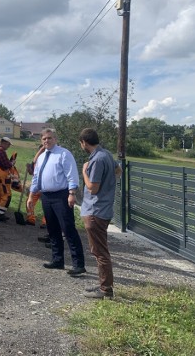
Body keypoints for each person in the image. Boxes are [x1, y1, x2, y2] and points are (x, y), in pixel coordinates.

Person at [27, 128, 86, 275]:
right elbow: (36, 178)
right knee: (52, 229)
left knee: (68, 229)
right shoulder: (41, 158)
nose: (47, 141)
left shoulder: (64, 154)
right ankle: (57, 260)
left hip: (61, 196)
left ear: (55, 139)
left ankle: (79, 264)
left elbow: (72, 174)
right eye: (44, 139)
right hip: (46, 196)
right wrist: (30, 196)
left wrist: (72, 193)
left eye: (50, 138)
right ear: (41, 141)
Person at [79, 128, 122, 299]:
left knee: (100, 252)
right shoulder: (107, 154)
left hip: (95, 211)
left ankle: (106, 290)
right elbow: (118, 172)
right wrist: (109, 184)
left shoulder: (96, 160)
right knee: (99, 251)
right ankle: (103, 285)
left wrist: (84, 171)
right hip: (103, 209)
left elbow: (93, 188)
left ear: (84, 142)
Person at [0, 136, 17, 221]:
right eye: (8, 144)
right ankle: (0, 214)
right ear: (4, 143)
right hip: (1, 177)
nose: (9, 146)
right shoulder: (1, 151)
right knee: (6, 195)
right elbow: (6, 165)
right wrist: (12, 163)